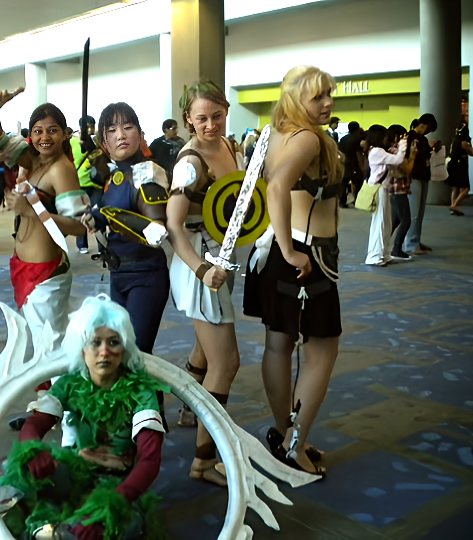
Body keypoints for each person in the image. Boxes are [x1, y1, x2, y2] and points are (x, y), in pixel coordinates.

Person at [0, 295, 167, 540]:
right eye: (95, 342)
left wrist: (110, 504)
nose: (104, 351)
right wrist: (33, 451)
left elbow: (150, 460)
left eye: (113, 342)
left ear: (123, 349)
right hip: (74, 472)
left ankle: (52, 529)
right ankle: (5, 528)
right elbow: (35, 424)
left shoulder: (141, 391)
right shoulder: (69, 384)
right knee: (15, 468)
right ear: (82, 348)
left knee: (100, 528)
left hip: (120, 487)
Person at [243, 66, 343, 477]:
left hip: (282, 252)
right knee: (321, 351)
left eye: (329, 95)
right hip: (304, 255)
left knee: (279, 345)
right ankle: (294, 444)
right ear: (296, 98)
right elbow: (278, 187)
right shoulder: (305, 138)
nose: (328, 103)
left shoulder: (277, 133)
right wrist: (289, 248)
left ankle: (287, 433)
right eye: (318, 96)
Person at [166, 79, 241, 486]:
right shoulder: (190, 162)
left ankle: (188, 409)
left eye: (217, 115)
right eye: (201, 118)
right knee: (227, 363)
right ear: (187, 120)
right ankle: (203, 461)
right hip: (198, 263)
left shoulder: (228, 147)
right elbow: (174, 227)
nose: (210, 125)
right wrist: (201, 270)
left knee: (204, 346)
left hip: (218, 256)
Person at [0, 89, 90, 351]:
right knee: (42, 344)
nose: (45, 137)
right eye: (38, 131)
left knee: (50, 349)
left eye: (52, 130)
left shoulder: (61, 170)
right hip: (23, 267)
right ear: (30, 136)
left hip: (45, 274)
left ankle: (57, 393)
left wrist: (31, 209)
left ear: (65, 133)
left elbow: (79, 226)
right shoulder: (33, 162)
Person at [83, 103, 169, 356]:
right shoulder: (114, 176)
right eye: (112, 130)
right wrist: (97, 218)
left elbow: (156, 232)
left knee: (136, 354)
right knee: (122, 353)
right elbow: (113, 211)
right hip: (118, 272)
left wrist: (112, 216)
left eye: (128, 127)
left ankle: (149, 397)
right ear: (104, 142)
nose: (121, 134)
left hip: (146, 275)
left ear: (140, 134)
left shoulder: (146, 173)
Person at [363, 125, 407, 266]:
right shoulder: (376, 151)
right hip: (379, 189)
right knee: (380, 222)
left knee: (386, 222)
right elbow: (398, 160)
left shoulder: (377, 151)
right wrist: (403, 144)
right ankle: (374, 256)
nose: (387, 137)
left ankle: (384, 253)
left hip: (383, 189)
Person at [403, 113, 437, 254]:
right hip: (414, 177)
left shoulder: (421, 139)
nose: (428, 132)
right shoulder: (410, 138)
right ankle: (410, 244)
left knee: (420, 211)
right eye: (428, 129)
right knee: (414, 212)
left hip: (422, 176)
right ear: (422, 125)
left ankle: (415, 240)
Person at [72, 115, 105, 254]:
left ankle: (102, 245)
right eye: (89, 126)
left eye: (93, 125)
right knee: (82, 214)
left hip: (97, 183)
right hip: (80, 183)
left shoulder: (97, 141)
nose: (91, 129)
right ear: (82, 128)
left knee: (98, 213)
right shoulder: (72, 142)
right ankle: (82, 244)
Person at [386, 124, 416, 260]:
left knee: (396, 220)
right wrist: (413, 155)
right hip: (397, 189)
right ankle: (396, 250)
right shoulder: (394, 151)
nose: (405, 139)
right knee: (406, 220)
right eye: (403, 136)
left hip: (396, 188)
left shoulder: (391, 150)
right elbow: (406, 169)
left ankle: (384, 245)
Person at [446, 122, 471, 216]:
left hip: (453, 164)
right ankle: (455, 205)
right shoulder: (464, 142)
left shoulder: (455, 140)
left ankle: (454, 206)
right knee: (465, 188)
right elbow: (471, 152)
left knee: (455, 188)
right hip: (461, 165)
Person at [338, 121, 364, 207]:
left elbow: (339, 152)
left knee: (343, 183)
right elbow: (358, 153)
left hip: (344, 163)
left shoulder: (343, 139)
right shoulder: (357, 139)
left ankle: (341, 201)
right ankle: (357, 200)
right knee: (358, 183)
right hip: (354, 164)